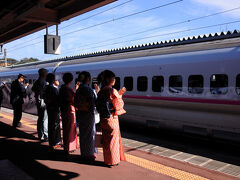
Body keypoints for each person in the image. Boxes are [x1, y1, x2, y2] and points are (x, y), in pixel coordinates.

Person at [97, 70, 126, 167]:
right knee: (113, 140)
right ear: (108, 79)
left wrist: (119, 94)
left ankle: (107, 160)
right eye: (113, 78)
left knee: (106, 139)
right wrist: (120, 94)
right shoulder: (111, 90)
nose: (114, 80)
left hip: (103, 118)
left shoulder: (101, 90)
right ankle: (113, 161)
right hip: (111, 118)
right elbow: (119, 104)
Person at [75, 71, 97, 161]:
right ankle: (88, 154)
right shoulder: (88, 89)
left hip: (81, 112)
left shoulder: (79, 88)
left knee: (83, 133)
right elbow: (93, 102)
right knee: (89, 133)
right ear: (88, 79)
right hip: (88, 113)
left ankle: (84, 153)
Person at [59, 72, 78, 154]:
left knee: (66, 129)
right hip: (70, 110)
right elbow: (73, 99)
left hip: (64, 110)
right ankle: (69, 147)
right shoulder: (69, 89)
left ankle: (66, 146)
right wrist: (76, 90)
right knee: (70, 129)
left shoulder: (62, 88)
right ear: (71, 80)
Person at [43, 73, 61, 149]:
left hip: (49, 108)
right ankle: (54, 143)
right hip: (55, 109)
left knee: (50, 125)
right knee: (55, 126)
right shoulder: (54, 89)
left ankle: (51, 142)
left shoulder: (45, 88)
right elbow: (58, 99)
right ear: (53, 80)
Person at [32, 68, 48, 141]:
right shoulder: (44, 82)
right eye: (46, 73)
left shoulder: (37, 81)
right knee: (44, 118)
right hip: (43, 101)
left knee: (40, 118)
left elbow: (32, 89)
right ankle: (45, 135)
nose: (47, 74)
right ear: (44, 74)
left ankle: (40, 134)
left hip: (38, 101)